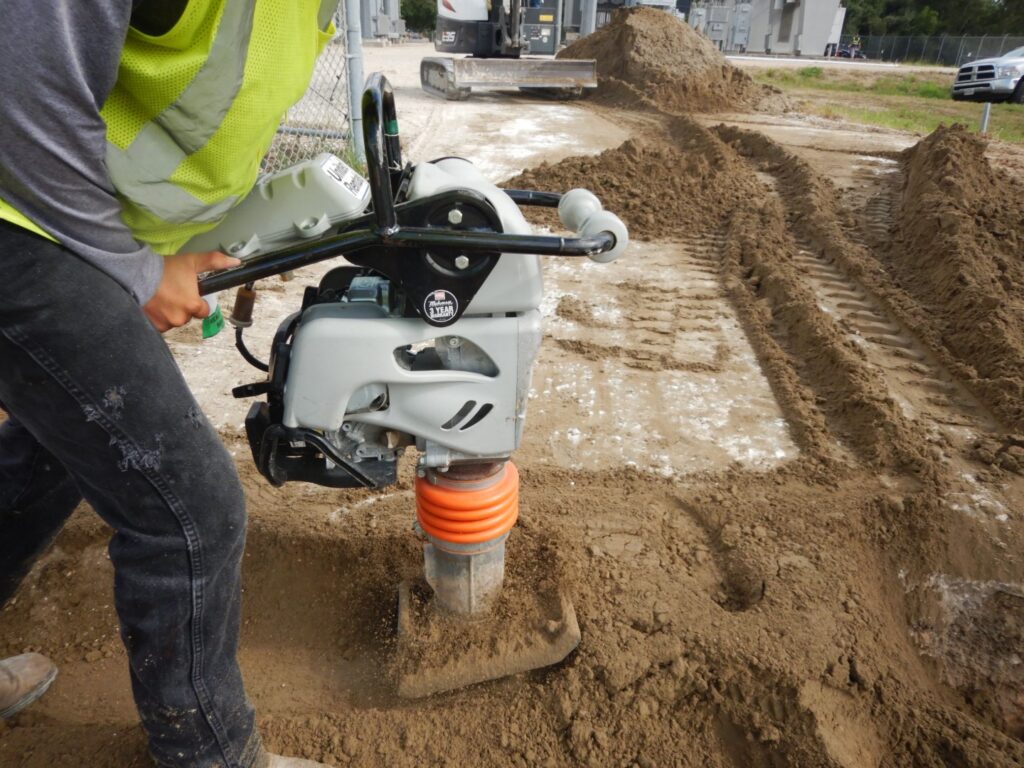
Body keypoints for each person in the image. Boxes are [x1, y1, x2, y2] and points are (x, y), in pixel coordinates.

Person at [0, 2, 341, 766]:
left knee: (60, 446)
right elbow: (18, 89)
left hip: (74, 220)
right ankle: (210, 756)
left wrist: (190, 243)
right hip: (22, 217)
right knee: (189, 510)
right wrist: (134, 272)